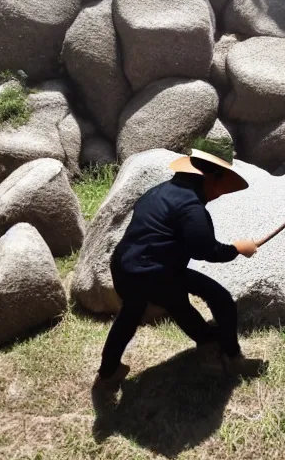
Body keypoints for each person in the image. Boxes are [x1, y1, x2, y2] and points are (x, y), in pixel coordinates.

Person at [93, 138, 268, 392]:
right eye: (221, 184)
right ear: (212, 178)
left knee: (140, 311)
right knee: (220, 298)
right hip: (155, 271)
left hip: (125, 265)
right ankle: (233, 357)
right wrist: (239, 249)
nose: (220, 193)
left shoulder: (160, 191)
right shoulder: (191, 207)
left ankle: (108, 373)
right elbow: (207, 250)